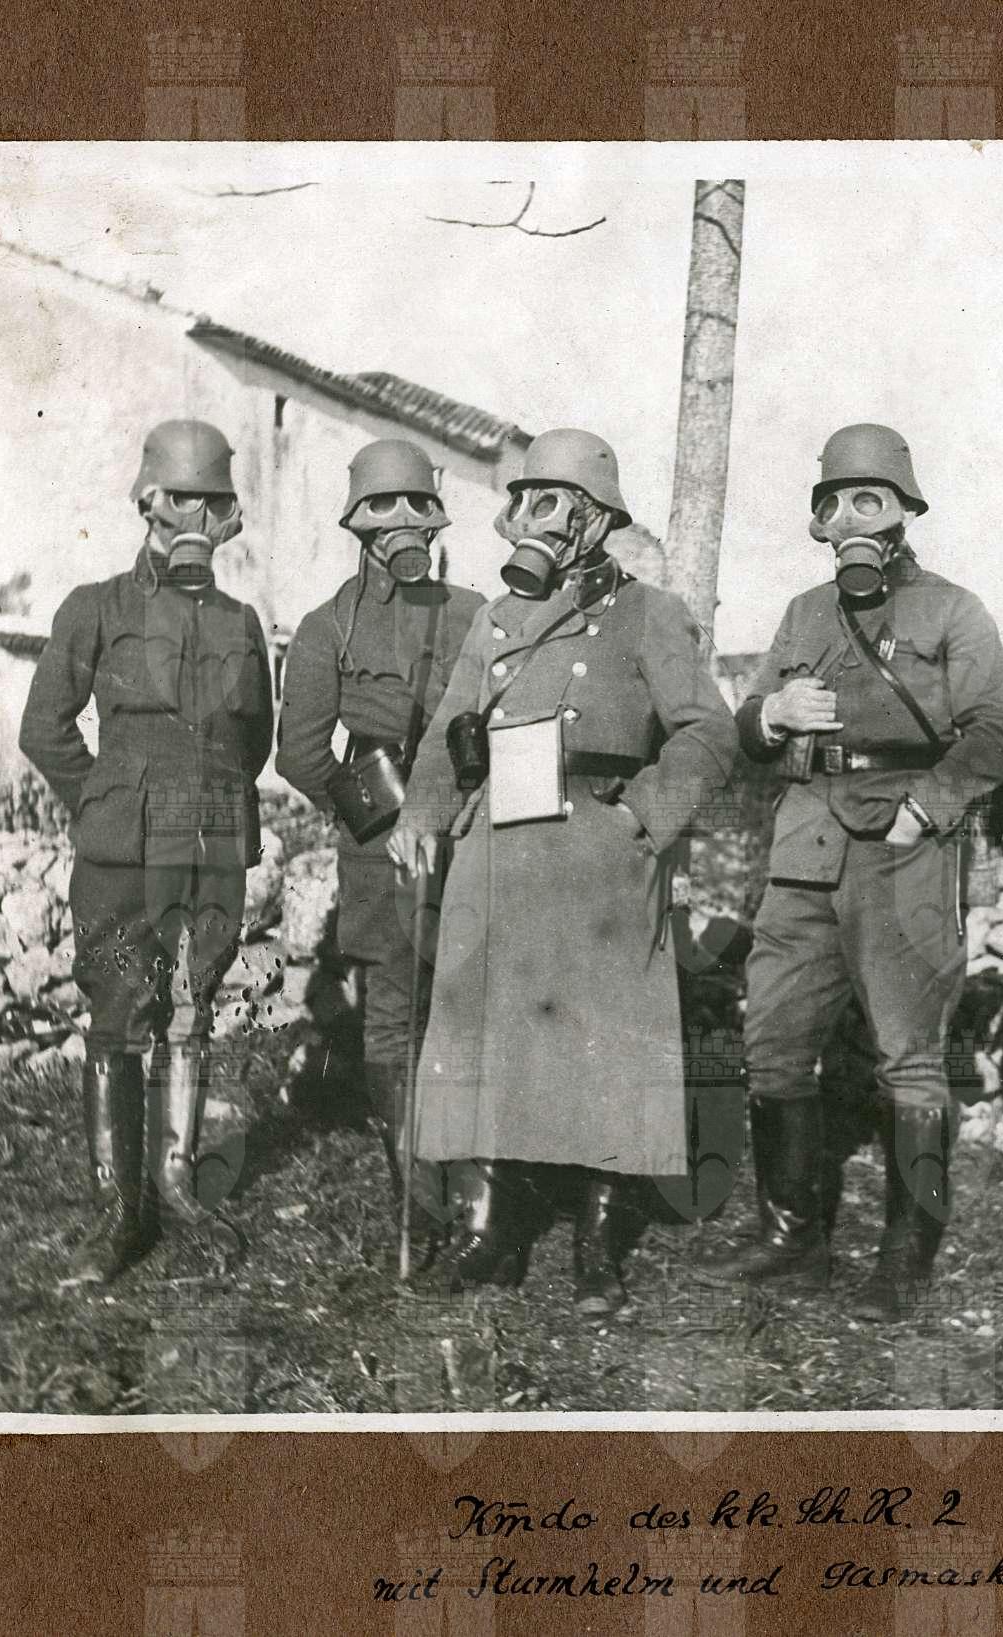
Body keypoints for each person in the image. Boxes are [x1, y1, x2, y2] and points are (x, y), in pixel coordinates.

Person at [386, 429, 738, 1317]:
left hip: (598, 852)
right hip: (498, 845)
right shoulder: (496, 618)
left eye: (556, 503)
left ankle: (598, 1246)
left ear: (596, 519)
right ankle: (489, 1230)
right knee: (482, 1028)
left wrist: (643, 816)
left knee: (607, 1041)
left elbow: (709, 731)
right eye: (526, 500)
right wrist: (423, 812)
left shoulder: (649, 613)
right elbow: (447, 730)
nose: (534, 519)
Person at [701, 423, 1003, 1320]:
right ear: (819, 522)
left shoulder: (953, 611)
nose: (851, 518)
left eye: (869, 500)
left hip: (905, 844)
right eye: (834, 503)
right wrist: (771, 714)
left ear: (904, 513)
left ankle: (903, 1260)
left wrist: (931, 805)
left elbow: (1001, 731)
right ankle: (791, 1239)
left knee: (909, 1059)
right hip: (806, 843)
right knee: (772, 1039)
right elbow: (746, 729)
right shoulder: (805, 613)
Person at [19, 418, 274, 1282]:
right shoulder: (95, 607)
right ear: (149, 501)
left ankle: (176, 1185)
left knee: (194, 1007)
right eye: (182, 497)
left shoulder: (242, 621)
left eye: (213, 500)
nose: (196, 515)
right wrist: (106, 803)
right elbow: (44, 729)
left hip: (208, 847)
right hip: (122, 857)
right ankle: (119, 1213)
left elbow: (253, 743)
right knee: (121, 1015)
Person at [274, 439, 485, 1251]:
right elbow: (301, 753)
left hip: (471, 828)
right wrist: (381, 820)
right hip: (383, 841)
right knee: (396, 1018)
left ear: (437, 520)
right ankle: (422, 1202)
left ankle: (474, 1191)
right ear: (357, 525)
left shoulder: (477, 614)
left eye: (417, 511)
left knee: (457, 1008)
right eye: (384, 512)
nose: (404, 528)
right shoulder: (330, 626)